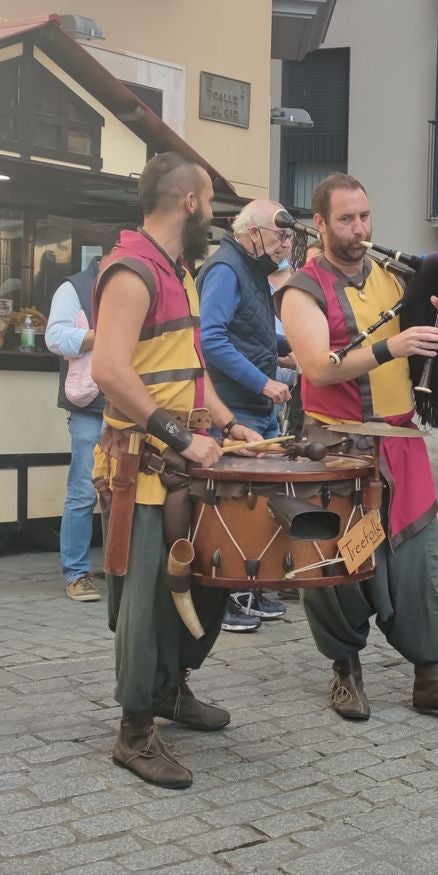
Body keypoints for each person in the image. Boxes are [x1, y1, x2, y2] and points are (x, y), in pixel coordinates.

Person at [278, 172, 438, 721]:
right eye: (346, 219)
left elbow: (432, 337)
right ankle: (345, 669)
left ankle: (431, 674)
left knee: (421, 561)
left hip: (399, 443)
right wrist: (390, 346)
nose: (359, 229)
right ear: (319, 223)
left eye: (365, 216)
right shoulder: (301, 289)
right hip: (336, 449)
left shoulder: (400, 278)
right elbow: (315, 369)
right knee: (335, 565)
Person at [91, 152, 265, 789]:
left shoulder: (180, 271)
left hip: (184, 463)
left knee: (195, 585)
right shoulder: (132, 270)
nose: (214, 216)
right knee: (145, 600)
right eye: (210, 204)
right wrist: (177, 438)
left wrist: (226, 422)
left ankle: (171, 689)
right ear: (190, 201)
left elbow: (190, 369)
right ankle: (135, 732)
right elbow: (111, 371)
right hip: (144, 468)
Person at [198, 200, 295, 632]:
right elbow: (212, 341)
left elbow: (250, 334)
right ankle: (231, 597)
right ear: (253, 233)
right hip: (236, 407)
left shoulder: (250, 271)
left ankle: (248, 589)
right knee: (235, 505)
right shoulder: (226, 269)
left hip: (254, 406)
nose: (286, 244)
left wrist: (293, 351)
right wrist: (263, 382)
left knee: (256, 504)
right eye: (280, 236)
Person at [45, 254, 106, 603]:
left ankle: (119, 567)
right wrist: (104, 336)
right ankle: (76, 573)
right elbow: (54, 337)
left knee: (125, 491)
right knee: (84, 491)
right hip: (90, 407)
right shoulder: (75, 287)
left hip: (129, 406)